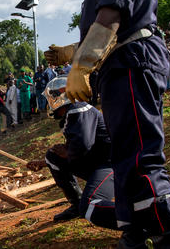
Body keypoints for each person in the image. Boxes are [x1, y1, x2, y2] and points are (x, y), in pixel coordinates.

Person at [45, 0, 170, 247]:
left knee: (140, 158)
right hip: (121, 65)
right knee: (126, 161)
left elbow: (112, 16)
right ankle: (135, 234)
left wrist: (80, 66)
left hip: (130, 64)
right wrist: (72, 52)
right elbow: (111, 25)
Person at [27, 76, 116, 229]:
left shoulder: (79, 109)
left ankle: (142, 221)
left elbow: (83, 144)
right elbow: (74, 149)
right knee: (52, 156)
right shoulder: (72, 113)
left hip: (112, 166)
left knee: (90, 206)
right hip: (98, 163)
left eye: (52, 97)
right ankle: (76, 204)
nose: (50, 102)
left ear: (60, 96)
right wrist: (43, 163)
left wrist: (68, 152)